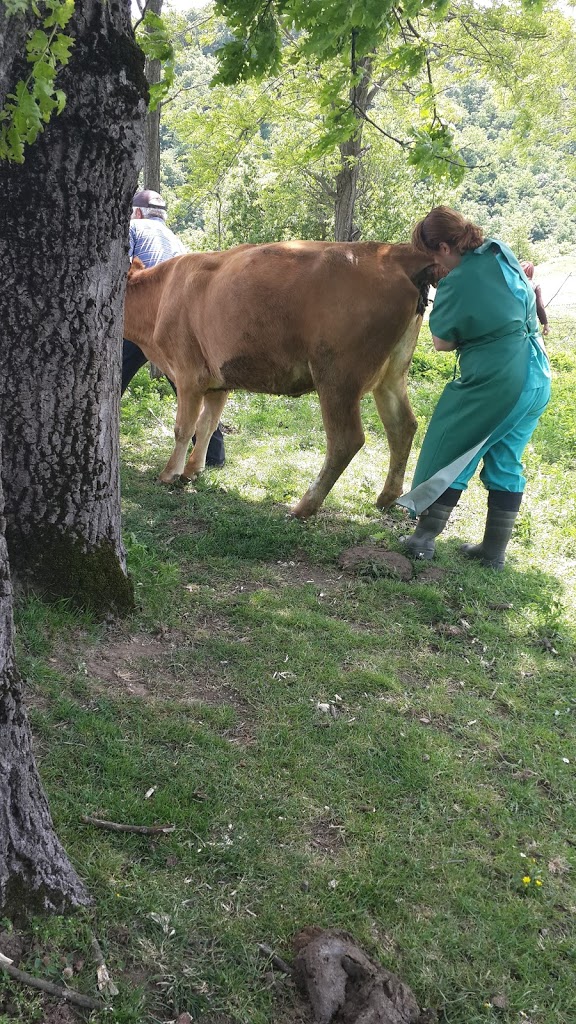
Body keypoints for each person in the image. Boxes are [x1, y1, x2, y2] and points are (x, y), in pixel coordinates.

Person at [397, 206, 551, 570]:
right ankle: (493, 553)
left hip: (500, 379)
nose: (435, 265)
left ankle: (423, 538)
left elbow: (442, 342)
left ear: (446, 248)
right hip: (536, 373)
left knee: (455, 448)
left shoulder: (457, 280)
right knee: (505, 459)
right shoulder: (499, 251)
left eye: (433, 255)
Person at [123, 189, 225, 467]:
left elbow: (124, 271)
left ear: (139, 212)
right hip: (177, 322)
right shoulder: (173, 237)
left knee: (111, 381)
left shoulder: (132, 227)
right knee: (191, 382)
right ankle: (213, 456)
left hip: (141, 315)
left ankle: (94, 437)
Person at [520, 261, 550, 336]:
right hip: (529, 324)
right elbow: (539, 306)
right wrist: (545, 324)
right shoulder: (535, 285)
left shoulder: (512, 284)